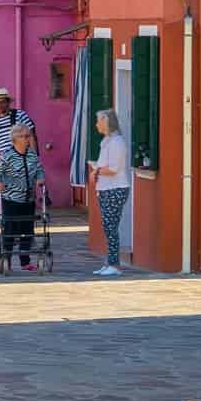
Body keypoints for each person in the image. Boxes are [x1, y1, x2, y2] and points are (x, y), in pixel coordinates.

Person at [0, 123, 48, 272]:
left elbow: (39, 170)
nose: (27, 139)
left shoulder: (32, 155)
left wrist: (40, 179)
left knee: (27, 231)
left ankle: (25, 262)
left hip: (28, 199)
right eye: (24, 136)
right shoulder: (7, 155)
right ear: (15, 138)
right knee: (10, 230)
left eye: (28, 136)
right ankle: (7, 260)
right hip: (11, 199)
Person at [88, 109, 131, 276]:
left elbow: (114, 169)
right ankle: (110, 262)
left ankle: (115, 265)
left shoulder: (116, 142)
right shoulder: (106, 141)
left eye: (99, 121)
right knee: (108, 227)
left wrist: (96, 172)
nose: (97, 124)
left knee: (111, 226)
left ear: (106, 122)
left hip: (116, 189)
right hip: (105, 189)